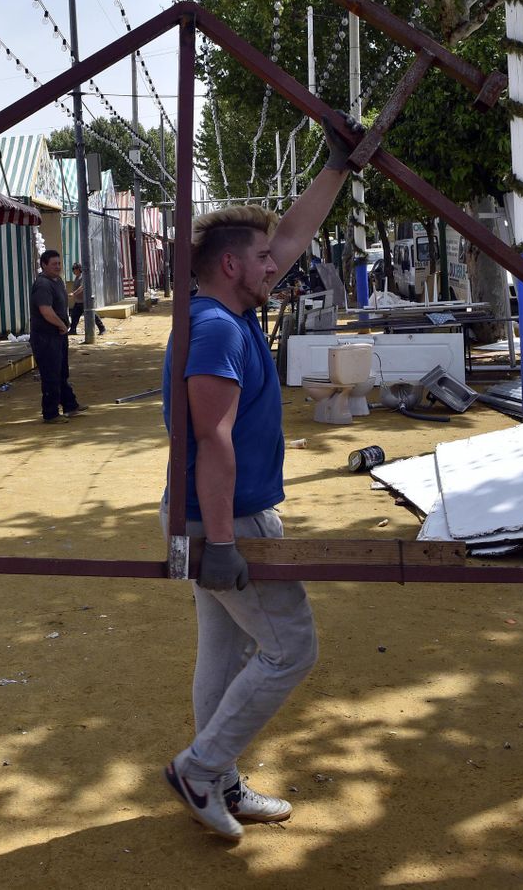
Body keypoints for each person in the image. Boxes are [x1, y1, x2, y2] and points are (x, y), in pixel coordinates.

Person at [160, 115, 361, 841]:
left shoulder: (231, 307)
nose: (277, 265)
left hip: (224, 514)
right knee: (291, 647)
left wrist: (336, 166)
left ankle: (222, 778)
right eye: (262, 259)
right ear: (230, 266)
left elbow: (289, 238)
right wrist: (220, 542)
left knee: (228, 648)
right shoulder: (214, 327)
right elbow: (211, 439)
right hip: (223, 516)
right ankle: (201, 765)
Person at [29, 250, 89, 423]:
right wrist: (62, 325)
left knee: (62, 372)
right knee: (51, 375)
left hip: (58, 336)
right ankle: (50, 413)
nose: (58, 267)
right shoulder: (42, 285)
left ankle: (70, 405)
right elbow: (46, 311)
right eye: (54, 264)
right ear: (44, 265)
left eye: (59, 263)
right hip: (45, 338)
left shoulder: (58, 281)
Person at [67, 262, 106, 335]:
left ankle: (102, 328)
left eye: (74, 269)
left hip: (84, 301)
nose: (73, 271)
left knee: (92, 315)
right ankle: (73, 330)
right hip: (78, 301)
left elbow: (82, 287)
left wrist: (74, 294)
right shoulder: (77, 277)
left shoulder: (82, 277)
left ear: (79, 269)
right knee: (74, 316)